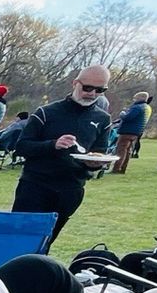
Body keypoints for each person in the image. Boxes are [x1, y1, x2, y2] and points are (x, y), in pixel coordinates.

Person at [11, 65, 113, 238]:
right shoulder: (46, 112)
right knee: (19, 238)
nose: (92, 93)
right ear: (75, 83)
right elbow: (22, 146)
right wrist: (53, 145)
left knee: (46, 241)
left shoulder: (103, 119)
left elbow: (99, 152)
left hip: (71, 189)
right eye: (87, 88)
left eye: (100, 90)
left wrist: (94, 164)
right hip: (35, 186)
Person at [111, 90, 151, 174]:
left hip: (127, 131)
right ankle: (123, 169)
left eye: (135, 98)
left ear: (140, 98)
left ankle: (116, 168)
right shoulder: (146, 107)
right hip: (136, 132)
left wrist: (122, 114)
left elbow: (127, 117)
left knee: (121, 149)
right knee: (128, 151)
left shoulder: (137, 107)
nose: (134, 100)